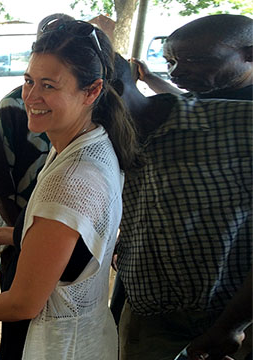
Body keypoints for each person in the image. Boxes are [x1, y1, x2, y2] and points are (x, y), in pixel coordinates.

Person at [0, 19, 141, 359]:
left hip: (61, 346)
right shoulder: (92, 140)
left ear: (91, 91)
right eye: (29, 80)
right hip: (87, 335)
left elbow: (24, 302)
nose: (30, 97)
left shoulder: (72, 177)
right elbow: (74, 247)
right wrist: (9, 236)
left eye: (49, 86)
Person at [115, 31, 253, 360]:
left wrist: (230, 326)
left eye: (195, 60)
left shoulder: (243, 124)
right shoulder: (174, 115)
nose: (177, 72)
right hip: (151, 305)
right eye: (171, 62)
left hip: (225, 314)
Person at [0, 13, 73, 360]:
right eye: (31, 81)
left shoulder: (90, 137)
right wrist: (22, 234)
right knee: (17, 329)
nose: (36, 93)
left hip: (61, 241)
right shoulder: (12, 107)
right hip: (18, 234)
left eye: (49, 84)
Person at [131, 14, 252, 100]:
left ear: (250, 55)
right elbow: (188, 102)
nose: (174, 73)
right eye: (171, 62)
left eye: (195, 60)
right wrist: (149, 78)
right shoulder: (213, 94)